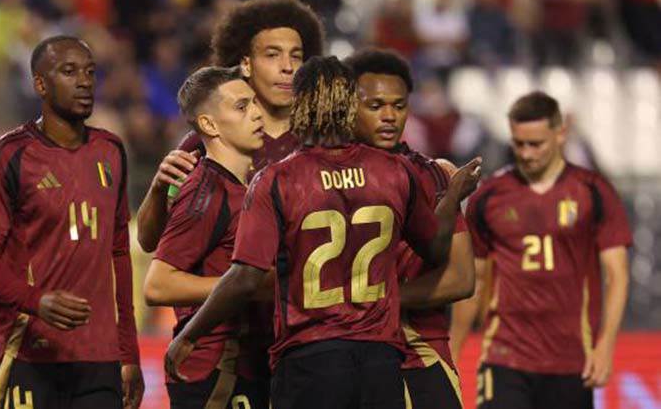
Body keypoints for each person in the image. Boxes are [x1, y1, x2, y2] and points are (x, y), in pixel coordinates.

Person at [166, 56, 481, 409]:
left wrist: (190, 334)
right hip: (380, 360)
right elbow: (436, 250)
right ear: (350, 105)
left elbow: (245, 278)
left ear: (299, 104)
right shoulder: (395, 171)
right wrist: (453, 196)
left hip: (309, 357)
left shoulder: (278, 179)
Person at [0, 35, 144, 409]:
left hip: (99, 360)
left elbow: (119, 256)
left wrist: (128, 351)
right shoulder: (9, 155)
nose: (84, 81)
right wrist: (35, 301)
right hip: (29, 355)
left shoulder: (111, 151)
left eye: (91, 72)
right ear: (40, 84)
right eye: (69, 71)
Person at [450, 91, 631, 409]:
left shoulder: (593, 191)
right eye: (519, 144)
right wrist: (453, 349)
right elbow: (474, 279)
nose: (527, 153)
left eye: (536, 144)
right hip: (505, 356)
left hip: (572, 360)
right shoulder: (489, 197)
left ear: (560, 134)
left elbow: (617, 274)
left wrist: (606, 345)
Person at [136, 0, 325, 252]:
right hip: (232, 290)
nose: (287, 67)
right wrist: (158, 191)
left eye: (296, 56)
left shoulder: (324, 139)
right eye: (272, 55)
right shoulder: (204, 142)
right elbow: (148, 241)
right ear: (246, 64)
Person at [345, 47, 474, 409]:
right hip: (342, 355)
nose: (389, 116)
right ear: (347, 106)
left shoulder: (433, 176)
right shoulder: (314, 173)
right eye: (375, 106)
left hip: (421, 352)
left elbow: (462, 279)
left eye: (399, 106)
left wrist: (378, 301)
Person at [142, 66, 269, 408]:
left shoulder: (247, 184)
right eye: (242, 107)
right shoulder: (207, 191)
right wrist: (245, 283)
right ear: (209, 125)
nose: (257, 113)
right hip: (213, 371)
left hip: (248, 364)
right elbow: (157, 286)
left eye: (255, 103)